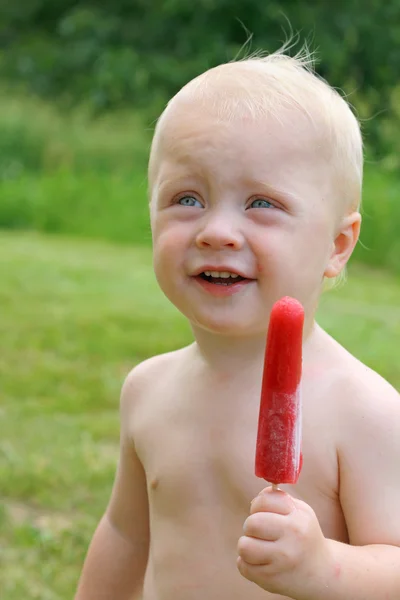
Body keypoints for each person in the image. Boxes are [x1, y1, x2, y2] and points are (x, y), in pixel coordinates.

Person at [74, 45, 400, 600]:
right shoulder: (148, 389)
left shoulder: (362, 410)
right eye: (187, 198)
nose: (217, 230)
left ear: (337, 245)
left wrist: (322, 566)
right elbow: (127, 536)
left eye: (261, 204)